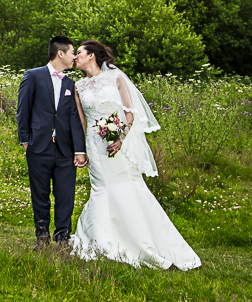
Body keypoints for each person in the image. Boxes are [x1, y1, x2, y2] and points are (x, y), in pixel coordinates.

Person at [70, 40, 201, 270]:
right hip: (94, 144)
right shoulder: (78, 86)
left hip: (118, 143)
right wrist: (81, 149)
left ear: (91, 56)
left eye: (79, 53)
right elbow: (82, 120)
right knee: (101, 188)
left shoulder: (116, 78)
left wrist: (120, 138)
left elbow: (130, 112)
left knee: (129, 187)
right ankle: (101, 241)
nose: (75, 57)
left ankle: (144, 241)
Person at [17, 36, 88, 247]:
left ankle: (63, 237)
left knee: (65, 195)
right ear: (60, 53)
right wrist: (25, 140)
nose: (74, 56)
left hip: (65, 150)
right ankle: (42, 237)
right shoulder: (33, 76)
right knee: (40, 194)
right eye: (72, 52)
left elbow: (74, 119)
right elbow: (23, 110)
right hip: (38, 146)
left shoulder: (70, 83)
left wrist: (79, 149)